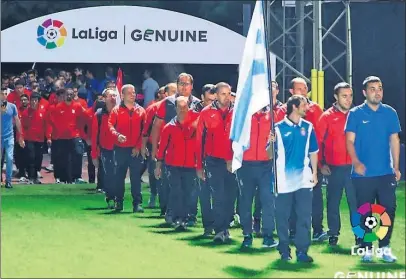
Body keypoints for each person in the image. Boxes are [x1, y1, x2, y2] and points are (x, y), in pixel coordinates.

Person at [345, 76, 401, 263]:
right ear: (364, 92)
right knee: (365, 212)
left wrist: (396, 167)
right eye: (372, 89)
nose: (377, 92)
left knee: (387, 210)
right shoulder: (355, 114)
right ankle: (366, 248)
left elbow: (395, 140)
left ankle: (384, 247)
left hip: (385, 173)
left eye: (379, 88)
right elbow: (349, 141)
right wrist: (356, 162)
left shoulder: (390, 113)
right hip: (363, 175)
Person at [275, 77, 326, 242]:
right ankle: (292, 231)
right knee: (290, 200)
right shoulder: (283, 110)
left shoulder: (316, 109)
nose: (304, 92)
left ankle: (317, 229)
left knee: (314, 199)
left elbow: (319, 138)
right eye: (299, 89)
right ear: (291, 92)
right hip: (288, 165)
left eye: (305, 88)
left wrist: (320, 163)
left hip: (310, 163)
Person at [150, 73, 200, 224]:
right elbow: (157, 126)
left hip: (192, 155)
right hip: (171, 154)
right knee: (172, 187)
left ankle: (190, 215)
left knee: (191, 188)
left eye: (187, 84)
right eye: (181, 84)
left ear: (192, 86)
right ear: (177, 85)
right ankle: (171, 213)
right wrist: (155, 151)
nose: (184, 87)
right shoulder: (167, 103)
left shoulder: (198, 104)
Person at [274, 95, 318, 263]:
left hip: (304, 179)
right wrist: (270, 143)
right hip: (283, 180)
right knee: (283, 216)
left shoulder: (308, 127)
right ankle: (284, 249)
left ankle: (302, 251)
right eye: (304, 105)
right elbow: (269, 154)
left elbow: (313, 151)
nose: (307, 108)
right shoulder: (277, 128)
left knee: (304, 216)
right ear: (294, 107)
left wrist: (314, 173)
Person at [316, 82, 357, 246]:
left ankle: (360, 236)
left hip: (355, 169)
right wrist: (321, 164)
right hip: (334, 168)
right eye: (344, 96)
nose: (348, 99)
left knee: (358, 204)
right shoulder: (326, 117)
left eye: (350, 96)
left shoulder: (357, 115)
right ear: (336, 97)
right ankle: (333, 234)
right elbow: (317, 143)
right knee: (333, 203)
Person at [195, 82, 236, 243]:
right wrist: (199, 166)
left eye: (229, 93)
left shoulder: (237, 111)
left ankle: (225, 227)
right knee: (218, 195)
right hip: (213, 160)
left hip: (232, 161)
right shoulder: (206, 113)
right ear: (216, 95)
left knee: (230, 196)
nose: (226, 97)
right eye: (223, 93)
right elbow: (199, 140)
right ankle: (220, 230)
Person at [238, 104, 278, 249]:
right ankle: (247, 235)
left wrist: (275, 141)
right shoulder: (244, 116)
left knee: (268, 200)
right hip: (246, 164)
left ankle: (268, 236)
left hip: (266, 165)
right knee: (246, 201)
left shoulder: (273, 115)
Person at [155, 96, 197, 230]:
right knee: (176, 190)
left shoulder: (195, 124)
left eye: (185, 107)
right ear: (175, 109)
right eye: (180, 107)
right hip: (173, 165)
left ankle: (182, 217)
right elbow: (162, 148)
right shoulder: (169, 127)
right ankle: (175, 215)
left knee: (187, 192)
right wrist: (158, 166)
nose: (183, 110)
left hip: (191, 165)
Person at [108, 84, 146, 213]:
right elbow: (110, 126)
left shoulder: (141, 110)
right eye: (129, 92)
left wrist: (138, 146)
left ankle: (137, 204)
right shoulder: (116, 110)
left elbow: (144, 131)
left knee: (136, 178)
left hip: (135, 150)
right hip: (120, 149)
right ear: (122, 95)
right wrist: (117, 135)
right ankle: (119, 202)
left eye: (134, 92)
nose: (133, 95)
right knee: (119, 177)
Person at [141, 83, 176, 211]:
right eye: (173, 91)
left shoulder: (183, 106)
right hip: (156, 145)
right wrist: (145, 145)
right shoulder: (153, 108)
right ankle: (154, 195)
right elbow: (147, 128)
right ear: (165, 94)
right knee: (155, 172)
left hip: (174, 146)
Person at [49, 88, 88, 184]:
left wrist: (79, 131)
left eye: (71, 94)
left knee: (78, 154)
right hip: (61, 137)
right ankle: (63, 179)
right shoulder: (58, 107)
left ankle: (77, 177)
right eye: (67, 94)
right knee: (63, 158)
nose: (69, 96)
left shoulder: (78, 106)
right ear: (64, 96)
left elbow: (83, 118)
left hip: (75, 135)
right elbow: (54, 122)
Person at [91, 89, 118, 209]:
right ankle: (111, 198)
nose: (113, 98)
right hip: (106, 149)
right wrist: (94, 155)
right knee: (108, 175)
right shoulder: (99, 114)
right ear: (104, 98)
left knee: (118, 175)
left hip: (120, 149)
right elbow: (94, 136)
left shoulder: (121, 112)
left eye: (114, 95)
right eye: (110, 95)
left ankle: (118, 198)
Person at [1, 88, 25, 188]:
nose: (4, 95)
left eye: (5, 94)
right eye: (2, 94)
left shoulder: (12, 106)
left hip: (9, 136)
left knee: (10, 158)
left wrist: (21, 136)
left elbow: (17, 120)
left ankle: (8, 181)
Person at [20, 93, 46, 184]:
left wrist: (48, 137)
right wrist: (21, 138)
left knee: (38, 158)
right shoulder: (26, 112)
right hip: (29, 139)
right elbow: (22, 126)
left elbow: (47, 125)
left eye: (35, 100)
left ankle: (35, 177)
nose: (34, 102)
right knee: (31, 157)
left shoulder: (43, 111)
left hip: (40, 139)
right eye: (32, 100)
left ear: (38, 101)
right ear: (30, 101)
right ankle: (31, 178)